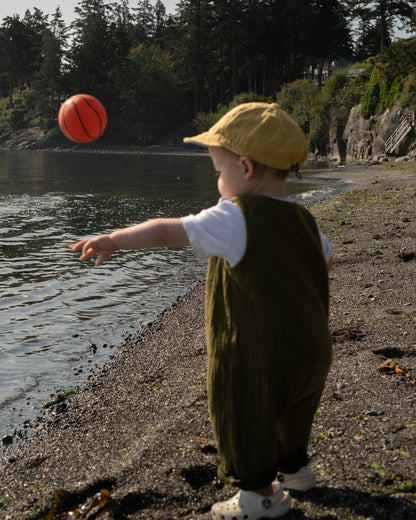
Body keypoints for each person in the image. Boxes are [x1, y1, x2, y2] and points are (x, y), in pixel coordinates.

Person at [70, 102, 333, 520]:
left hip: (255, 354)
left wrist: (114, 239)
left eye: (218, 171)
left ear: (245, 169)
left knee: (244, 415)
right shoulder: (304, 219)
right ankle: (297, 472)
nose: (217, 181)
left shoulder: (234, 216)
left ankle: (261, 497)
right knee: (292, 414)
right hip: (313, 350)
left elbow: (165, 231)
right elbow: (323, 263)